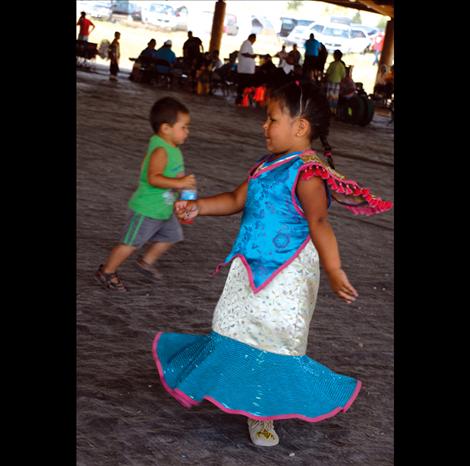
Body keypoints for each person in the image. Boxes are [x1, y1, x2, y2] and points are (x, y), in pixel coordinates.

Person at [153, 81, 392, 446]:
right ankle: (236, 391)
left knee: (274, 338)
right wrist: (199, 206)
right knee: (234, 328)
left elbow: (319, 222)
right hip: (249, 268)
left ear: (300, 127)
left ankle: (262, 412)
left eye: (272, 119)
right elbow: (236, 198)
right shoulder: (267, 164)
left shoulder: (309, 172)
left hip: (288, 275)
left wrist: (333, 268)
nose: (264, 126)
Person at [95, 97, 196, 292]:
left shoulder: (173, 149)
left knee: (173, 236)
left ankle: (145, 262)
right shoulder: (160, 150)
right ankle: (107, 271)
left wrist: (185, 189)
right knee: (131, 243)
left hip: (163, 209)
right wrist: (179, 183)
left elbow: (175, 173)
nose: (187, 131)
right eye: (184, 127)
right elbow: (153, 178)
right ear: (166, 128)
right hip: (147, 209)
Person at [236, 33, 258, 105]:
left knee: (245, 85)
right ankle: (240, 99)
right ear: (252, 38)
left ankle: (244, 99)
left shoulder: (248, 45)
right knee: (243, 85)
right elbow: (244, 53)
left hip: (247, 70)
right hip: (244, 70)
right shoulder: (246, 43)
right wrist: (251, 56)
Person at [325, 49, 347, 115]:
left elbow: (327, 73)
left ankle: (327, 110)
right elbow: (343, 76)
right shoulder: (342, 66)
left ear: (335, 56)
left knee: (329, 97)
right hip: (337, 84)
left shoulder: (332, 64)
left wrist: (324, 79)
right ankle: (333, 111)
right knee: (335, 98)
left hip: (330, 83)